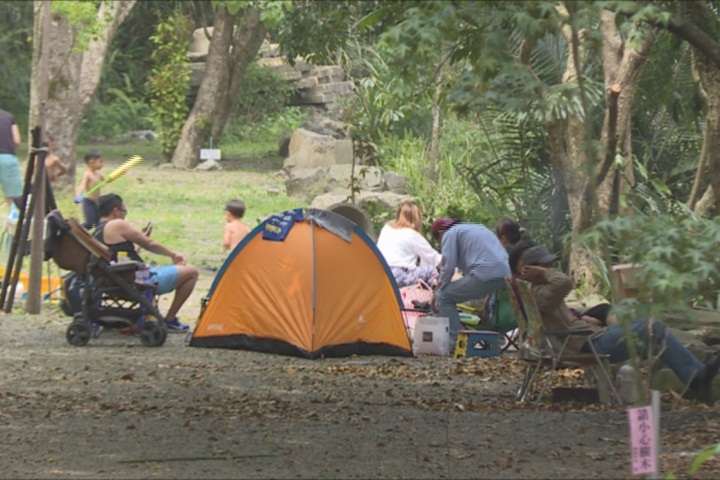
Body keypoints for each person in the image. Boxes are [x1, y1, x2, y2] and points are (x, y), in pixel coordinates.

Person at [517, 245, 720, 391]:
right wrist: (545, 273)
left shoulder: (541, 291)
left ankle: (694, 368)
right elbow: (565, 283)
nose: (553, 267)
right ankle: (694, 376)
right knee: (652, 328)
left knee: (645, 326)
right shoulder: (541, 293)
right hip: (586, 344)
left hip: (589, 336)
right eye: (548, 265)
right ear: (537, 269)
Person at [93, 193, 199, 332]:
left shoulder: (97, 232)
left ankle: (145, 319)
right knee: (192, 272)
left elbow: (126, 258)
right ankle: (170, 319)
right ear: (116, 211)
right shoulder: (117, 224)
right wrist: (173, 254)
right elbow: (150, 244)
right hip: (140, 279)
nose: (125, 216)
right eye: (124, 211)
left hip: (117, 279)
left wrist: (141, 241)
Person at [430, 217, 511, 349]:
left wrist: (437, 290)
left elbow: (448, 267)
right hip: (505, 274)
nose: (440, 243)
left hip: (484, 274)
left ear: (440, 233)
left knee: (443, 297)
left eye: (437, 239)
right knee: (493, 305)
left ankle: (457, 342)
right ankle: (498, 338)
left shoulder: (449, 234)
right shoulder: (476, 228)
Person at [376, 201, 441, 287]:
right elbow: (434, 258)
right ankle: (439, 298)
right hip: (398, 276)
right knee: (431, 270)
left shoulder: (386, 228)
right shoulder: (412, 235)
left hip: (379, 274)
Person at [75, 149, 105, 229]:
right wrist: (78, 196)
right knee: (89, 224)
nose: (102, 164)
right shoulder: (88, 174)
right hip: (89, 202)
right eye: (100, 161)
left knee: (99, 223)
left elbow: (105, 180)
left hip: (97, 202)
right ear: (91, 162)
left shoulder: (98, 174)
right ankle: (75, 230)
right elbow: (82, 186)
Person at [0, 109, 23, 207]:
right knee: (14, 196)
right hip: (7, 158)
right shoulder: (8, 116)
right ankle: (15, 216)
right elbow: (17, 141)